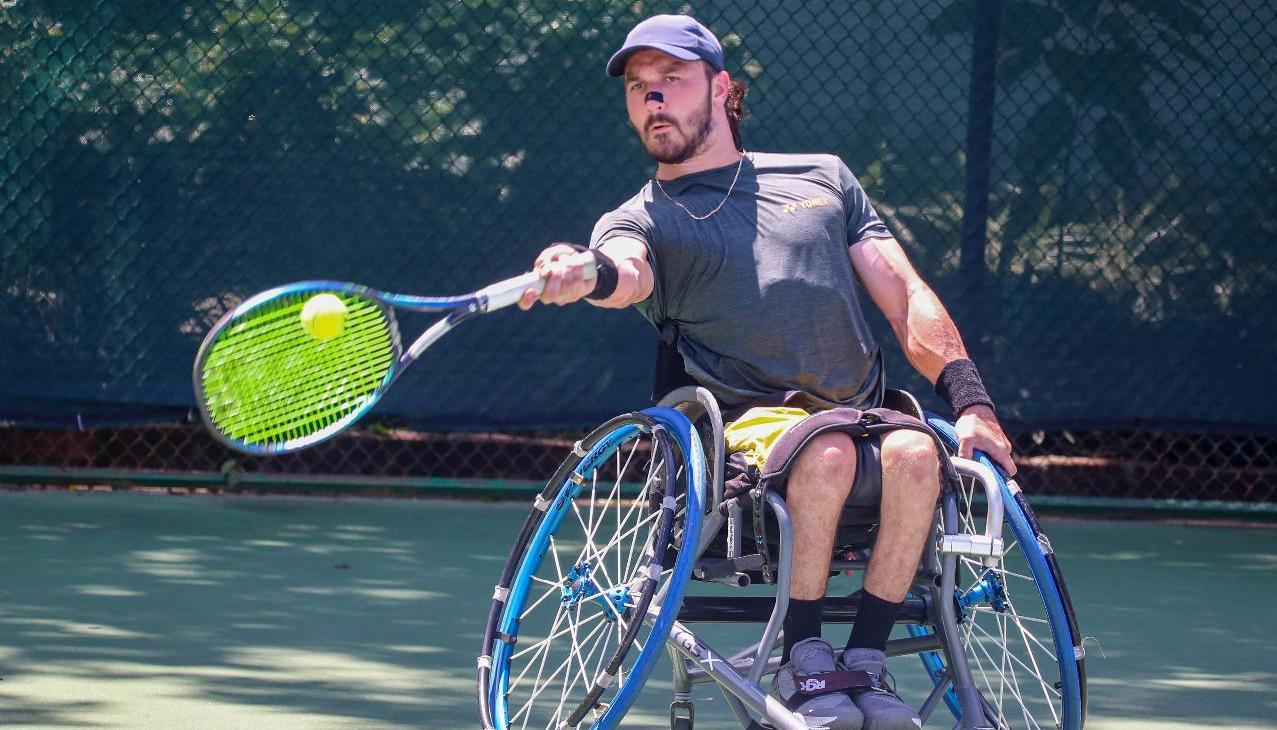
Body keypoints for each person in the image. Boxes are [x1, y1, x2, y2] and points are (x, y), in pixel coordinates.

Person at [519, 14, 1016, 730]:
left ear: (722, 89)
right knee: (829, 450)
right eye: (637, 87)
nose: (652, 99)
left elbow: (903, 294)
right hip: (746, 432)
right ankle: (805, 659)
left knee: (914, 452)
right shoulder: (642, 217)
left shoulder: (823, 178)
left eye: (671, 80)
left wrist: (970, 400)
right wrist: (584, 272)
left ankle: (866, 663)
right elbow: (624, 271)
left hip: (862, 414)